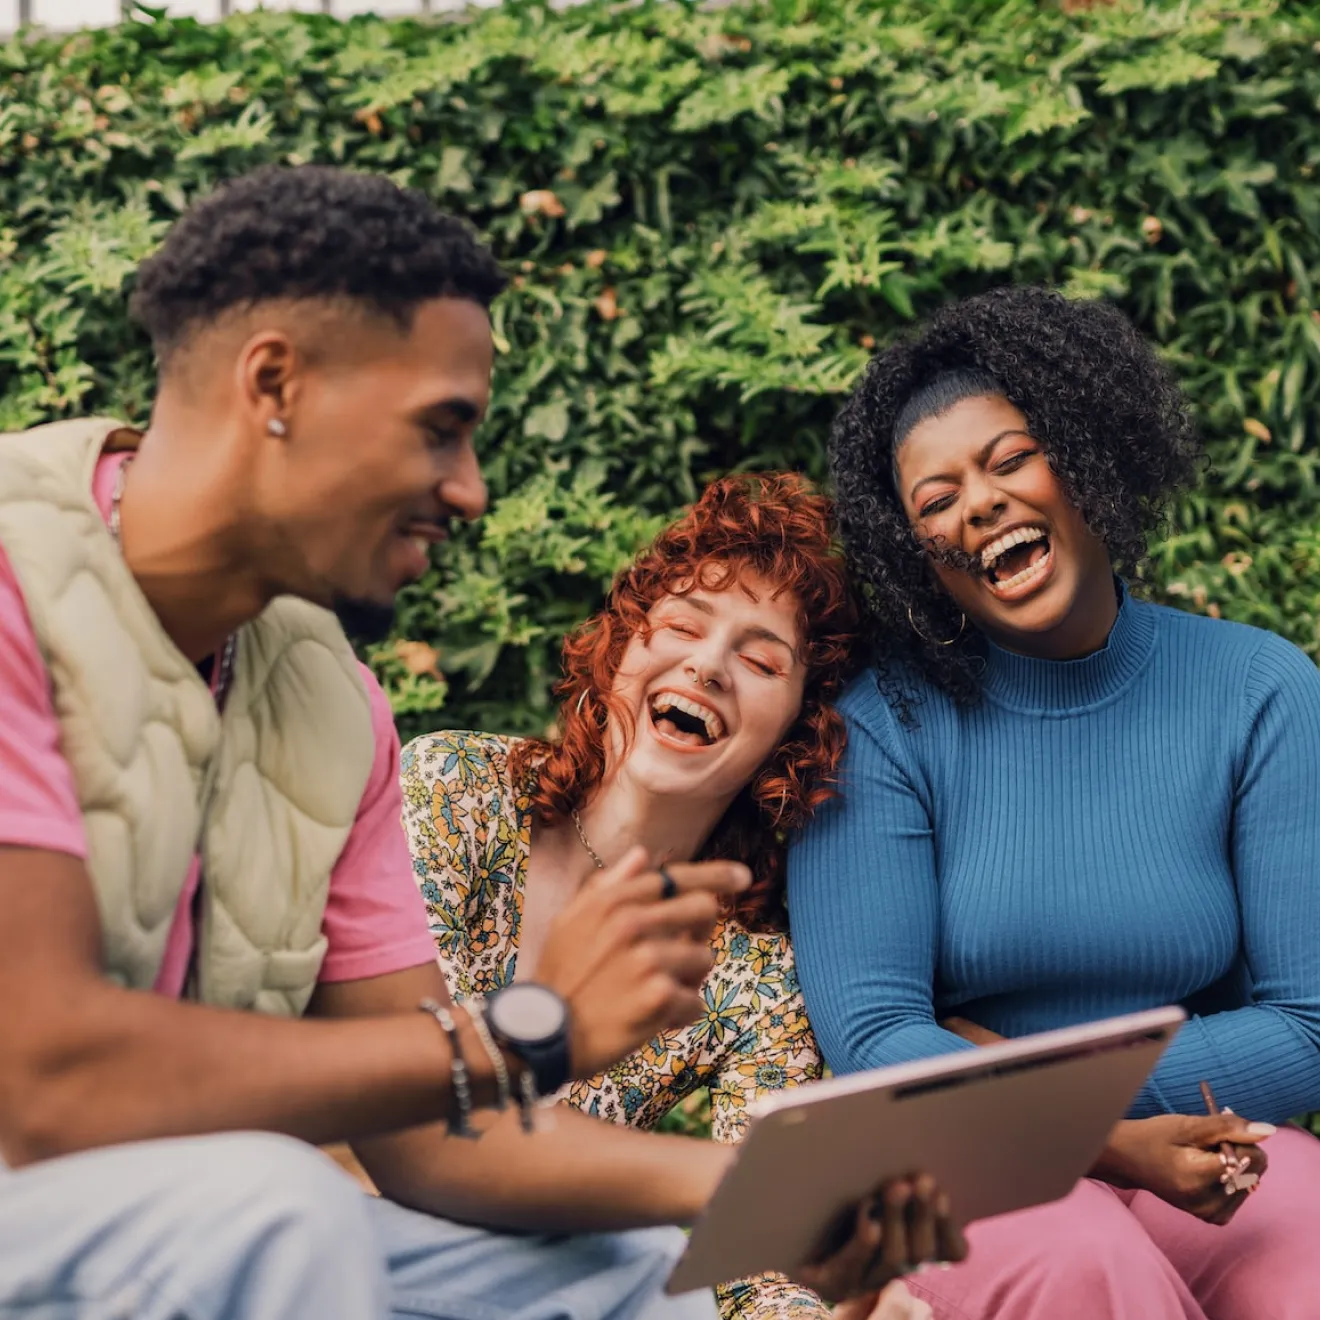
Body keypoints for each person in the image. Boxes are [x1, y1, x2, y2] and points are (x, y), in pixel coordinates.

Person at [0, 165, 927, 1320]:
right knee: (281, 1206)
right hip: (64, 1186)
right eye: (441, 430)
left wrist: (766, 1197)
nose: (471, 490)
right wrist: (530, 1031)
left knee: (638, 1277)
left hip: (163, 1213)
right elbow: (46, 1077)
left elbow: (427, 1140)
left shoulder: (333, 707)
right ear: (275, 384)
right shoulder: (19, 575)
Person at [786, 284, 1320, 1319]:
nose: (979, 505)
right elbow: (877, 1037)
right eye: (935, 501)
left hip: (1201, 1136)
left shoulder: (1260, 692)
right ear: (917, 555)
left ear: (1086, 457)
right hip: (953, 1154)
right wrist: (1101, 1139)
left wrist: (1026, 1074)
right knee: (1082, 1264)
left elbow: (1307, 1025)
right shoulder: (879, 729)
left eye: (1010, 459)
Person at [401, 472, 960, 1320]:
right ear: (622, 648)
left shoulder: (754, 972)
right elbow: (405, 1099)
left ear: (798, 729)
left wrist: (844, 1311)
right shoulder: (457, 787)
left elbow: (758, 1273)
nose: (706, 665)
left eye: (761, 660)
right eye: (684, 627)